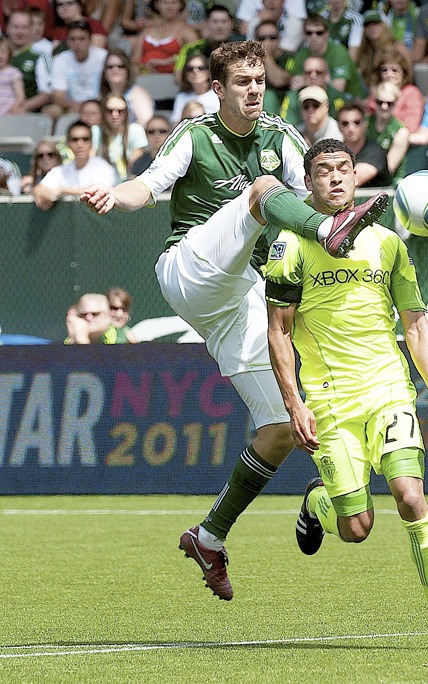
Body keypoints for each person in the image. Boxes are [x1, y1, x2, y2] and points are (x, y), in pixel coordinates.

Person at [80, 40, 388, 602]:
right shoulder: (195, 134)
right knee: (264, 191)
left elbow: (313, 192)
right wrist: (112, 196)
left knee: (281, 429)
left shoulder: (280, 135)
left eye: (259, 79)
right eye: (242, 81)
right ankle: (332, 237)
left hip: (240, 294)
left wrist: (337, 204)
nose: (254, 89)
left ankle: (209, 536)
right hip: (190, 269)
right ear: (216, 90)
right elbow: (146, 187)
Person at [265, 137, 428, 653]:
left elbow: (416, 323)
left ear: (356, 178)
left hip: (388, 392)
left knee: (410, 495)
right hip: (331, 403)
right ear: (308, 182)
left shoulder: (387, 243)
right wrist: (294, 404)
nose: (336, 178)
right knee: (357, 527)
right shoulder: (290, 245)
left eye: (344, 169)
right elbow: (279, 331)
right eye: (323, 171)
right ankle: (316, 504)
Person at [34, 120, 117, 209]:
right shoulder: (61, 170)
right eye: (75, 139)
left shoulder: (103, 167)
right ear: (68, 143)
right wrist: (40, 193)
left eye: (85, 139)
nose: (80, 144)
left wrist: (62, 190)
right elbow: (39, 187)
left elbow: (100, 192)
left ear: (91, 142)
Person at [289, 14, 366, 100]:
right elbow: (295, 85)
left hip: (349, 98)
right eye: (309, 33)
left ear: (327, 34)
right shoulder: (302, 54)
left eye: (319, 33)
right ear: (304, 35)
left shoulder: (338, 52)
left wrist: (308, 81)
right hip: (314, 99)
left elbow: (338, 88)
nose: (313, 37)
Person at [50, 21, 107, 117]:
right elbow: (57, 96)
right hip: (70, 106)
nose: (77, 44)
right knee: (50, 112)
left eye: (82, 39)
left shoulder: (103, 57)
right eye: (72, 39)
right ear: (67, 41)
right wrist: (75, 105)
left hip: (99, 104)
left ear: (90, 40)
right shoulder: (60, 60)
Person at [280, 56, 350, 127]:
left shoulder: (336, 96)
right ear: (303, 75)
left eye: (318, 72)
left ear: (326, 75)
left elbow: (342, 125)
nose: (313, 76)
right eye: (308, 72)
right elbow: (284, 125)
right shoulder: (292, 97)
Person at [367, 47, 424, 134]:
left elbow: (410, 127)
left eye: (395, 70)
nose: (389, 74)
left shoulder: (411, 93)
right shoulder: (377, 92)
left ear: (403, 73)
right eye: (384, 70)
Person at [93, 93, 148, 182]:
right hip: (102, 181)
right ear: (103, 112)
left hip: (128, 180)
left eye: (120, 111)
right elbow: (92, 158)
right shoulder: (96, 131)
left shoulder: (135, 130)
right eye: (109, 111)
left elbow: (136, 163)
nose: (115, 115)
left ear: (126, 113)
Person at [132, 0, 198, 74]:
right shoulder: (146, 31)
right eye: (165, 3)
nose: (169, 6)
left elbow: (195, 58)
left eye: (174, 3)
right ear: (157, 5)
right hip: (144, 77)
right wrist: (142, 69)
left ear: (181, 5)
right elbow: (135, 60)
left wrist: (166, 62)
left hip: (172, 78)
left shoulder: (187, 33)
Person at [6, 9, 52, 113]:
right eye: (16, 27)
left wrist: (23, 106)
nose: (20, 32)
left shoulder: (40, 57)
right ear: (8, 28)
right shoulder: (2, 54)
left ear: (31, 29)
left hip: (26, 114)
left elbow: (47, 94)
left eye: (24, 27)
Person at [338, 101, 392, 187]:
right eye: (345, 124)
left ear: (365, 124)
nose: (351, 128)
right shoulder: (336, 152)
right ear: (339, 127)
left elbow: (351, 181)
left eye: (357, 122)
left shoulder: (375, 152)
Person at [366, 82, 410, 182]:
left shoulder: (401, 131)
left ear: (396, 104)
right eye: (380, 102)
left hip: (389, 183)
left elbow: (389, 168)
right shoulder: (364, 122)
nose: (384, 107)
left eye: (389, 103)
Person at [100, 49, 154, 127]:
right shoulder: (102, 95)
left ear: (128, 70)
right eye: (110, 67)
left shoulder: (138, 93)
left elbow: (146, 122)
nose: (115, 70)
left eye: (120, 66)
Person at [171, 50, 220, 124]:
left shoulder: (218, 95)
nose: (195, 71)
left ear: (208, 72)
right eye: (190, 69)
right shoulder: (181, 97)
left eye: (201, 68)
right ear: (185, 74)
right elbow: (176, 124)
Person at [65, 293, 131, 344]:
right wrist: (73, 340)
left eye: (94, 314)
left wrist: (82, 340)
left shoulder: (118, 336)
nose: (88, 317)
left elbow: (97, 361)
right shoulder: (75, 334)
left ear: (107, 316)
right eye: (84, 314)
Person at [355, 9, 395, 88]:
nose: (371, 28)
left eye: (375, 24)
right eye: (367, 25)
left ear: (384, 25)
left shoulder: (397, 47)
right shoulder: (366, 52)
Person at [0, 36, 25, 115]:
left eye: (3, 51)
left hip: (9, 112)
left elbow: (20, 96)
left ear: (9, 53)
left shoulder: (13, 72)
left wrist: (14, 107)